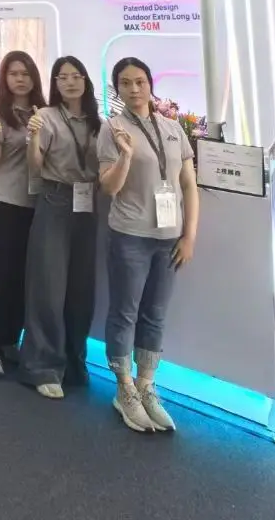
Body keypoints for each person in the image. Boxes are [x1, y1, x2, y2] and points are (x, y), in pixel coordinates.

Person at [98, 56, 199, 433]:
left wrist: (189, 235)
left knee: (155, 314)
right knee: (124, 313)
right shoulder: (112, 128)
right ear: (117, 89)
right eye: (125, 83)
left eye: (139, 81)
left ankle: (146, 385)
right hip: (130, 235)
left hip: (168, 239)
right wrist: (125, 155)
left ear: (150, 83)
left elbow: (188, 185)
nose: (134, 89)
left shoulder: (172, 128)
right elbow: (109, 187)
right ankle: (123, 388)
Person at [21, 55, 102, 398]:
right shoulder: (46, 116)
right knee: (48, 286)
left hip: (88, 204)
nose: (70, 82)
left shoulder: (99, 122)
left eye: (76, 76)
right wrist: (32, 139)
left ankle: (73, 361)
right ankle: (42, 366)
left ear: (86, 80)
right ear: (54, 84)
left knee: (81, 290)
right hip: (55, 200)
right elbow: (35, 166)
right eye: (62, 77)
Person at [0, 51, 46, 378]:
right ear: (5, 77)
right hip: (1, 202)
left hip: (36, 206)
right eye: (14, 73)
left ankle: (8, 339)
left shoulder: (43, 111)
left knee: (21, 279)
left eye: (26, 73)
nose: (20, 79)